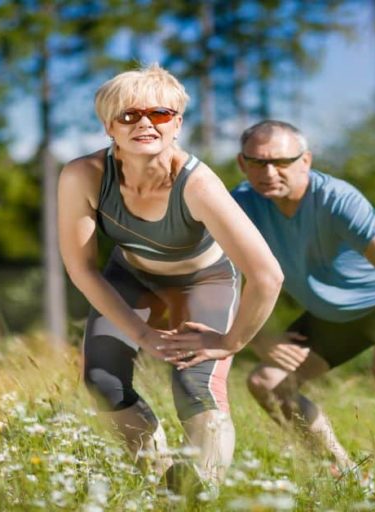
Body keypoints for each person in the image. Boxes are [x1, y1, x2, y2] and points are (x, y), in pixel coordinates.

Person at [57, 65, 283, 488]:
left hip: (203, 281)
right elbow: (82, 268)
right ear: (109, 127)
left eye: (159, 113)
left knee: (194, 384)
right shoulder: (82, 176)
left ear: (177, 124)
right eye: (128, 115)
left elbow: (267, 276)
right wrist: (140, 333)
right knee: (102, 380)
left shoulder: (197, 184)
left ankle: (202, 488)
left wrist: (231, 342)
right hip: (132, 276)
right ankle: (160, 483)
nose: (144, 123)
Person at [231, 120, 375, 484]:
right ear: (242, 163)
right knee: (268, 382)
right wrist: (258, 337)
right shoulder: (239, 205)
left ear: (305, 160)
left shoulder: (336, 199)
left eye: (281, 162)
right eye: (257, 162)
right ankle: (347, 477)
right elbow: (218, 277)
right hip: (332, 311)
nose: (269, 172)